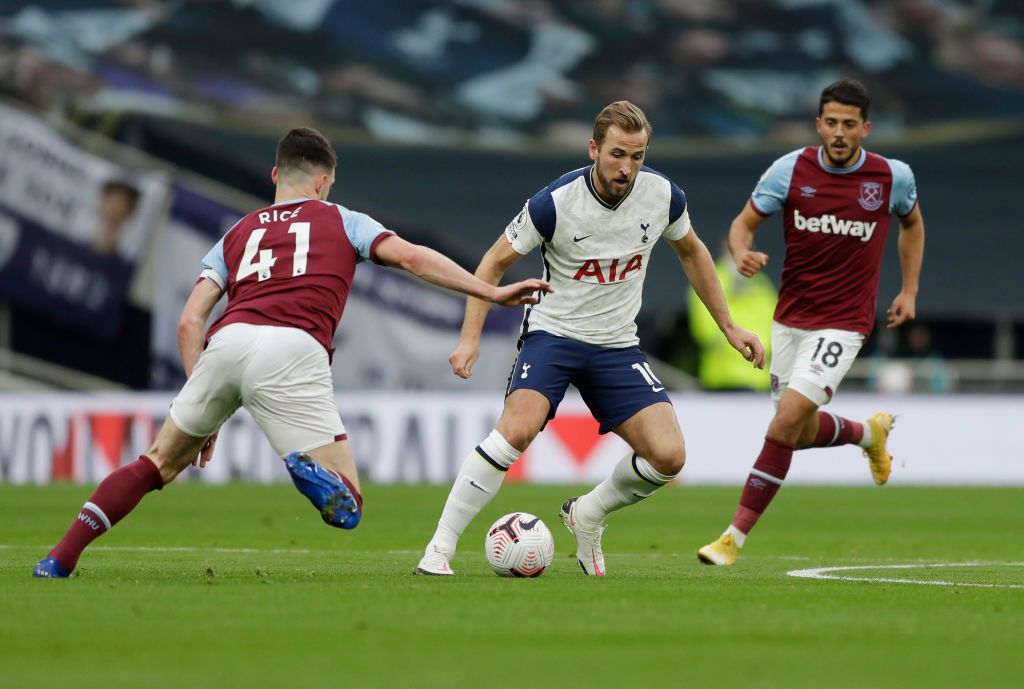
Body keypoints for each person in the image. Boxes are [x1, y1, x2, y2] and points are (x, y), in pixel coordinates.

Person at [33, 127, 550, 579]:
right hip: (293, 348)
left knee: (156, 464)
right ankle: (309, 468)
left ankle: (59, 557)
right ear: (323, 182)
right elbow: (411, 257)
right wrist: (491, 293)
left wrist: (202, 400)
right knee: (348, 503)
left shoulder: (237, 232)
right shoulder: (343, 220)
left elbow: (190, 320)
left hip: (227, 341)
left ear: (275, 173)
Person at [415, 100, 765, 577]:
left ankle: (588, 514)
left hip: (617, 345)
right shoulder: (553, 203)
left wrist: (729, 326)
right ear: (594, 148)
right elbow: (493, 263)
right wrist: (469, 338)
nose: (627, 168)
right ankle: (439, 549)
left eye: (638, 156)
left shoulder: (662, 196)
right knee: (516, 431)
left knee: (668, 456)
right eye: (618, 154)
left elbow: (693, 252)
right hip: (553, 336)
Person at [697, 78, 926, 566]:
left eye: (849, 124)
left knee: (782, 425)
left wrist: (908, 289)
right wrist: (741, 254)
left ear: (865, 127)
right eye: (831, 123)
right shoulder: (789, 170)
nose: (840, 133)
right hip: (791, 320)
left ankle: (732, 539)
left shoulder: (891, 177)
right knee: (797, 433)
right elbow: (742, 224)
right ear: (818, 124)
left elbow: (912, 223)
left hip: (844, 324)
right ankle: (869, 435)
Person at [688, 240, 777, 391]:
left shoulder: (762, 285)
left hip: (759, 380)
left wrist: (762, 346)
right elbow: (704, 332)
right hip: (721, 380)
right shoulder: (707, 282)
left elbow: (776, 328)